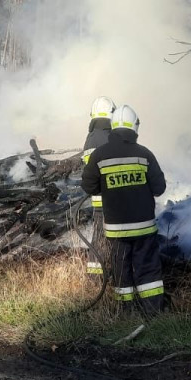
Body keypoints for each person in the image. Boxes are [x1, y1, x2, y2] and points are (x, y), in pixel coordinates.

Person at [80, 104, 167, 313]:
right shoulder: (144, 154)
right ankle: (152, 311)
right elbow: (159, 188)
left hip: (116, 230)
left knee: (121, 269)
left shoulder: (100, 155)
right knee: (148, 269)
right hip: (144, 228)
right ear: (134, 127)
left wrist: (108, 184)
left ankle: (125, 312)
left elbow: (88, 186)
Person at [81, 96, 117, 277]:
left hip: (97, 200)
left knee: (99, 237)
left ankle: (95, 276)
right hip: (112, 198)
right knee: (114, 238)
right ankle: (110, 275)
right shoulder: (111, 137)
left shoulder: (90, 139)